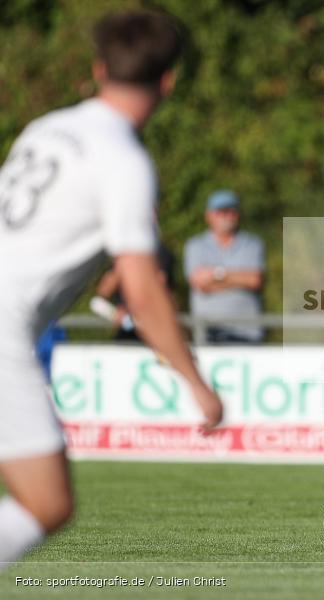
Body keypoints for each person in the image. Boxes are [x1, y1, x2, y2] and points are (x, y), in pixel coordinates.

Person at [0, 10, 223, 570]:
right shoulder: (124, 160)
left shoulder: (46, 128)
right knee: (47, 503)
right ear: (168, 81)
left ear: (99, 69)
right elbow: (142, 293)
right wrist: (196, 383)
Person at [184, 190, 265, 344]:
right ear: (209, 216)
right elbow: (200, 283)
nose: (228, 216)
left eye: (232, 211)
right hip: (207, 333)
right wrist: (238, 279)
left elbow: (254, 280)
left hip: (247, 333)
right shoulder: (196, 245)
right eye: (222, 212)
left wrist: (215, 274)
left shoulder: (252, 244)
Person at [91, 240, 176, 341]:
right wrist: (114, 314)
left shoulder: (160, 253)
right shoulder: (122, 255)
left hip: (153, 331)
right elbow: (101, 295)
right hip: (127, 333)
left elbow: (160, 288)